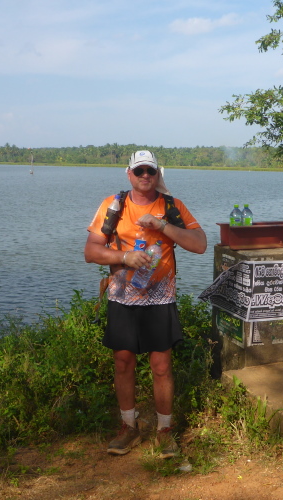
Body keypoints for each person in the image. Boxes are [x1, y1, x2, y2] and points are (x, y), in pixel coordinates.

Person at [84, 150, 207, 459]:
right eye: (139, 171)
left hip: (160, 297)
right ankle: (129, 426)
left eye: (150, 171)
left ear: (157, 174)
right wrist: (124, 257)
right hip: (122, 296)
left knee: (161, 366)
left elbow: (200, 245)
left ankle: (164, 430)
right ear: (129, 173)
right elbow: (91, 251)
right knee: (123, 362)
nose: (145, 176)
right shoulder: (113, 206)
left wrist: (163, 227)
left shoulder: (171, 206)